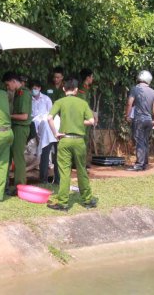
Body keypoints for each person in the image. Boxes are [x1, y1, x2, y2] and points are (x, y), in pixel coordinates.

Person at [47, 77, 97, 211]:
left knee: (64, 172)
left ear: (64, 89)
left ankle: (63, 202)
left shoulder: (59, 102)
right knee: (81, 170)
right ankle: (88, 199)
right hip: (79, 140)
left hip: (65, 139)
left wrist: (55, 133)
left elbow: (49, 118)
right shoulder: (83, 103)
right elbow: (92, 121)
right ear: (76, 90)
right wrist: (79, 123)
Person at [3, 72, 32, 195]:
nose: (8, 87)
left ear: (14, 81)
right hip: (15, 127)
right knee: (9, 156)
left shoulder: (24, 93)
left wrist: (8, 116)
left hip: (21, 128)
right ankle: (5, 184)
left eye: (8, 84)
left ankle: (20, 186)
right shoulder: (18, 92)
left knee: (18, 158)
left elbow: (24, 116)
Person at [125, 70, 154, 171]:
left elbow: (129, 103)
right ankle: (144, 163)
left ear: (139, 78)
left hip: (139, 119)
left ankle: (139, 164)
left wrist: (127, 116)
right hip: (148, 120)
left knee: (139, 141)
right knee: (144, 141)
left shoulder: (135, 89)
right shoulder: (153, 92)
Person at [30, 80, 57, 184]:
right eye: (32, 89)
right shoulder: (29, 100)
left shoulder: (46, 99)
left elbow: (51, 115)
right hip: (33, 128)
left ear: (40, 88)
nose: (34, 90)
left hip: (46, 129)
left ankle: (48, 178)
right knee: (38, 151)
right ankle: (41, 174)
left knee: (46, 152)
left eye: (36, 88)